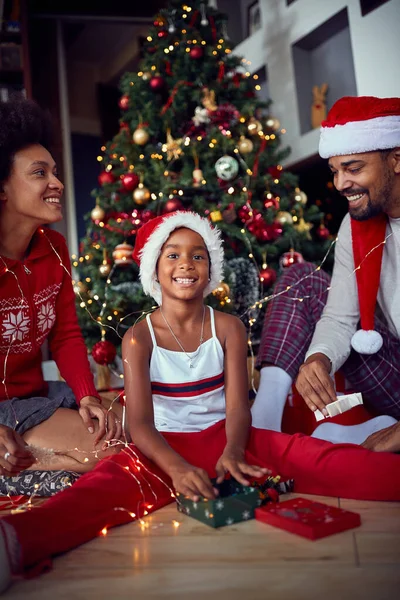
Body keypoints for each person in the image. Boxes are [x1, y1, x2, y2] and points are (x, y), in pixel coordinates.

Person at [0, 210, 399, 592]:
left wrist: (234, 449)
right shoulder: (138, 337)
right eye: (172, 255)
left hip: (233, 440)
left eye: (198, 255)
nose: (186, 264)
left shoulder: (229, 328)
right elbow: (139, 424)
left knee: (321, 458)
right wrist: (176, 469)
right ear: (154, 270)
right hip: (162, 451)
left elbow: (238, 407)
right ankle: (15, 541)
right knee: (96, 494)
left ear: (212, 269)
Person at [252, 96, 400, 449]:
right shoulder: (355, 226)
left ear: (396, 160)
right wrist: (319, 358)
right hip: (392, 372)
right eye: (335, 171)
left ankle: (377, 432)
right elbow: (340, 317)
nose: (340, 184)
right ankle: (263, 425)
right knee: (302, 276)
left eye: (353, 168)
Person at [0, 98, 123, 479]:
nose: (57, 183)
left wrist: (87, 394)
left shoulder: (54, 247)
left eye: (54, 171)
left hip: (36, 394)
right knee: (109, 453)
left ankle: (23, 462)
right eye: (39, 173)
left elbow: (66, 333)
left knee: (129, 424)